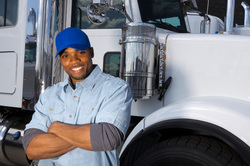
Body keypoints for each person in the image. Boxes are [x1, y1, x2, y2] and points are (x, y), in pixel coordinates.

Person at [22, 27, 132, 166]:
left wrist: (56, 128)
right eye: (66, 56)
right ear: (61, 60)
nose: (74, 61)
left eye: (80, 52)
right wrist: (89, 137)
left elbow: (107, 138)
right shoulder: (50, 95)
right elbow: (31, 149)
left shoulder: (116, 88)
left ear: (91, 52)